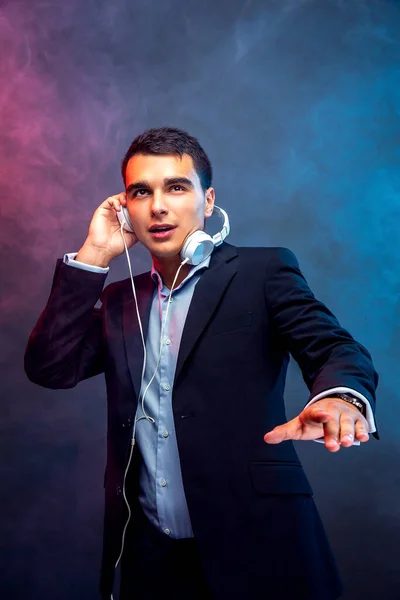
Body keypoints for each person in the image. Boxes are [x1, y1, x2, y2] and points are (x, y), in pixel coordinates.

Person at [24, 127, 379, 600]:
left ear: (207, 200)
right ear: (126, 207)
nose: (158, 206)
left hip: (258, 546)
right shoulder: (119, 300)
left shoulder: (262, 272)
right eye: (140, 192)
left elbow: (335, 347)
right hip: (151, 561)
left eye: (176, 187)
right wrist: (94, 255)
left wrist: (340, 397)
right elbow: (50, 367)